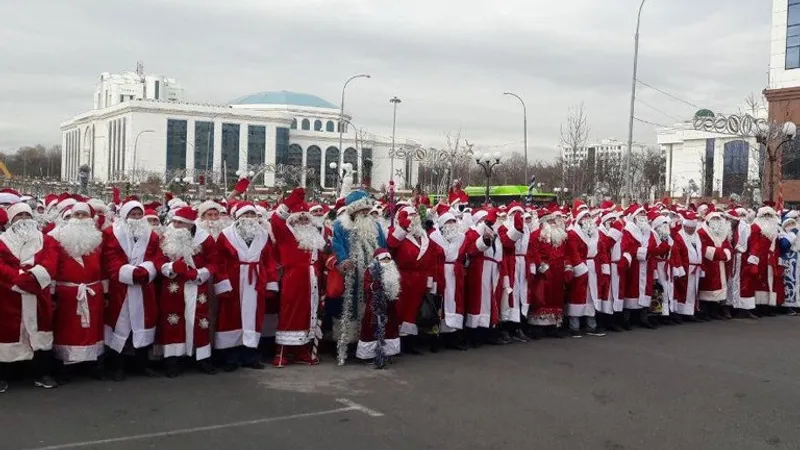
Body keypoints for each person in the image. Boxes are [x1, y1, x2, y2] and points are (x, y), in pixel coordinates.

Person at [214, 202, 279, 371]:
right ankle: (230, 357)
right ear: (238, 217)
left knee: (254, 318)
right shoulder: (226, 235)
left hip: (256, 280)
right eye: (246, 215)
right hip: (234, 280)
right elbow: (219, 261)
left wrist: (271, 283)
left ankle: (250, 355)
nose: (249, 218)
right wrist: (222, 283)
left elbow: (269, 261)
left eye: (252, 215)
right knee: (231, 317)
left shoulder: (263, 235)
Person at [103, 199, 163, 381]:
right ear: (125, 215)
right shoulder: (111, 233)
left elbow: (156, 256)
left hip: (144, 286)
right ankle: (117, 366)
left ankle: (141, 364)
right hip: (120, 287)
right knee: (120, 325)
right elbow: (110, 258)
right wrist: (129, 272)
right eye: (133, 214)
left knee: (143, 324)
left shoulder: (152, 235)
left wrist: (147, 270)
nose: (136, 218)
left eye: (139, 214)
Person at [0, 202, 58, 391]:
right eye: (19, 216)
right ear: (11, 221)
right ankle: (4, 375)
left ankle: (42, 373)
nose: (24, 220)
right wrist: (20, 279)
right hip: (10, 296)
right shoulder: (2, 241)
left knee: (41, 335)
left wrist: (33, 278)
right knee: (8, 336)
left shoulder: (46, 240)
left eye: (27, 216)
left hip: (37, 294)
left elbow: (50, 263)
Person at [157, 207, 217, 377]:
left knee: (200, 321)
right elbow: (157, 259)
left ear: (190, 225)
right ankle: (173, 360)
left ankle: (202, 358)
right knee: (173, 320)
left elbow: (214, 262)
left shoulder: (205, 240)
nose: (176, 225)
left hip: (197, 285)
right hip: (172, 285)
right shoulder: (165, 238)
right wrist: (170, 267)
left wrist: (200, 273)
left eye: (180, 223)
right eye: (174, 222)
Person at [270, 189, 326, 367]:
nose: (303, 221)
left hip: (313, 281)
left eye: (305, 218)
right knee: (290, 312)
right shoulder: (287, 234)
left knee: (309, 313)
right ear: (292, 219)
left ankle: (302, 348)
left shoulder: (315, 235)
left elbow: (323, 257)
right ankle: (282, 351)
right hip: (294, 278)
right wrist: (290, 201)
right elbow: (276, 220)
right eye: (299, 218)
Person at [49, 202, 105, 378]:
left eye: (84, 215)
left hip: (93, 292)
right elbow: (52, 268)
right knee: (68, 331)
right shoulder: (58, 240)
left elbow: (103, 268)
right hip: (68, 294)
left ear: (91, 219)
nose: (80, 218)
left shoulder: (97, 240)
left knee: (92, 330)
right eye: (77, 215)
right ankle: (66, 368)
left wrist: (107, 292)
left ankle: (91, 366)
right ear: (70, 217)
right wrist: (52, 294)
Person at [331, 189, 386, 364]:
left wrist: (383, 261)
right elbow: (337, 244)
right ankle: (346, 344)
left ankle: (367, 346)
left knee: (370, 309)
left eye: (366, 210)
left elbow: (382, 246)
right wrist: (343, 259)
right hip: (351, 274)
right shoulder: (341, 225)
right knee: (349, 308)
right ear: (353, 210)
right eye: (361, 210)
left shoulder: (375, 225)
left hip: (371, 273)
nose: (365, 212)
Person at [388, 206, 442, 353]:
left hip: (420, 279)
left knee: (413, 311)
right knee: (399, 310)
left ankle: (409, 342)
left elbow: (431, 261)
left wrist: (430, 281)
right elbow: (391, 244)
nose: (414, 217)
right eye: (410, 215)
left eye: (415, 214)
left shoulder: (424, 236)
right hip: (403, 278)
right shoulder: (398, 233)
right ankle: (396, 342)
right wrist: (403, 226)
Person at [462, 209, 509, 345]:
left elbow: (501, 256)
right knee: (478, 302)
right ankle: (475, 333)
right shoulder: (472, 233)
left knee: (492, 302)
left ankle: (490, 331)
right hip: (479, 270)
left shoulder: (497, 237)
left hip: (493, 272)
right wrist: (484, 239)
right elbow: (470, 250)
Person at [621, 205, 669, 329]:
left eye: (644, 213)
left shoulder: (650, 232)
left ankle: (643, 317)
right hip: (634, 266)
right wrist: (647, 252)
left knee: (646, 290)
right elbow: (627, 247)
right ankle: (626, 319)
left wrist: (662, 249)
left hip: (647, 266)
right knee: (631, 290)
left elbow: (656, 248)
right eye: (640, 213)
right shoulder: (627, 231)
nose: (643, 216)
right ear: (634, 217)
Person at [428, 206, 468, 350]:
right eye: (448, 222)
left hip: (455, 274)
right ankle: (436, 338)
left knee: (455, 303)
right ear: (442, 224)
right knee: (439, 304)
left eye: (453, 222)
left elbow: (464, 256)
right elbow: (430, 259)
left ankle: (453, 336)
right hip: (440, 273)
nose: (451, 225)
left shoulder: (462, 237)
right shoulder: (434, 237)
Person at [565, 208, 607, 337]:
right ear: (579, 220)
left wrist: (604, 267)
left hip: (593, 267)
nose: (588, 219)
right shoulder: (573, 233)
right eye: (585, 217)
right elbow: (573, 251)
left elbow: (602, 250)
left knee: (592, 295)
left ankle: (591, 324)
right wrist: (580, 268)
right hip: (581, 268)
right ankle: (574, 326)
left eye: (589, 217)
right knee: (577, 295)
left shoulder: (596, 233)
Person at [527, 206, 569, 338]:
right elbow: (534, 253)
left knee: (556, 297)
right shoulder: (536, 235)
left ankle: (553, 326)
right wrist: (543, 267)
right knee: (542, 297)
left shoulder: (560, 236)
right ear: (543, 222)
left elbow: (566, 253)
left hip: (558, 271)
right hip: (545, 271)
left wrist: (568, 267)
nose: (553, 223)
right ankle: (538, 327)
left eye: (553, 221)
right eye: (550, 221)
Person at [356, 249, 401, 368]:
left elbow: (397, 286)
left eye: (388, 259)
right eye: (383, 259)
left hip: (389, 305)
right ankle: (369, 354)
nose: (386, 261)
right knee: (371, 327)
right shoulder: (370, 270)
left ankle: (387, 352)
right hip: (374, 304)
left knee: (390, 327)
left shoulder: (393, 271)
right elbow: (366, 286)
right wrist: (373, 286)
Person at [498, 203, 531, 342]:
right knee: (509, 295)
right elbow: (506, 244)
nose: (517, 216)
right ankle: (505, 328)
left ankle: (519, 326)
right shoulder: (503, 227)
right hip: (510, 263)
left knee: (522, 295)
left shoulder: (527, 230)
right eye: (514, 213)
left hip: (523, 263)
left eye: (520, 213)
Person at [742, 206, 781, 317]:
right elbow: (753, 244)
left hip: (770, 259)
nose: (767, 218)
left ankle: (766, 307)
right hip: (759, 259)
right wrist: (754, 260)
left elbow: (776, 246)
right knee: (758, 282)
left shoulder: (775, 228)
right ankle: (757, 307)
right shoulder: (755, 227)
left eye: (770, 215)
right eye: (765, 215)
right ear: (760, 216)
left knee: (769, 282)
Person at [697, 210, 733, 320]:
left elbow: (728, 246)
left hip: (720, 264)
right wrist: (720, 253)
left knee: (719, 289)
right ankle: (705, 311)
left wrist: (725, 253)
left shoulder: (723, 232)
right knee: (707, 287)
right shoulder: (702, 232)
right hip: (708, 263)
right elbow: (703, 248)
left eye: (718, 219)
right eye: (713, 219)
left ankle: (715, 311)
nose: (716, 221)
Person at [671, 211, 702, 321]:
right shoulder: (679, 237)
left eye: (693, 228)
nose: (691, 230)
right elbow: (677, 253)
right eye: (689, 228)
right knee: (683, 291)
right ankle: (681, 312)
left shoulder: (696, 236)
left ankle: (690, 311)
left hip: (695, 268)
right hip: (685, 268)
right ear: (685, 226)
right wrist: (679, 267)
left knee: (693, 291)